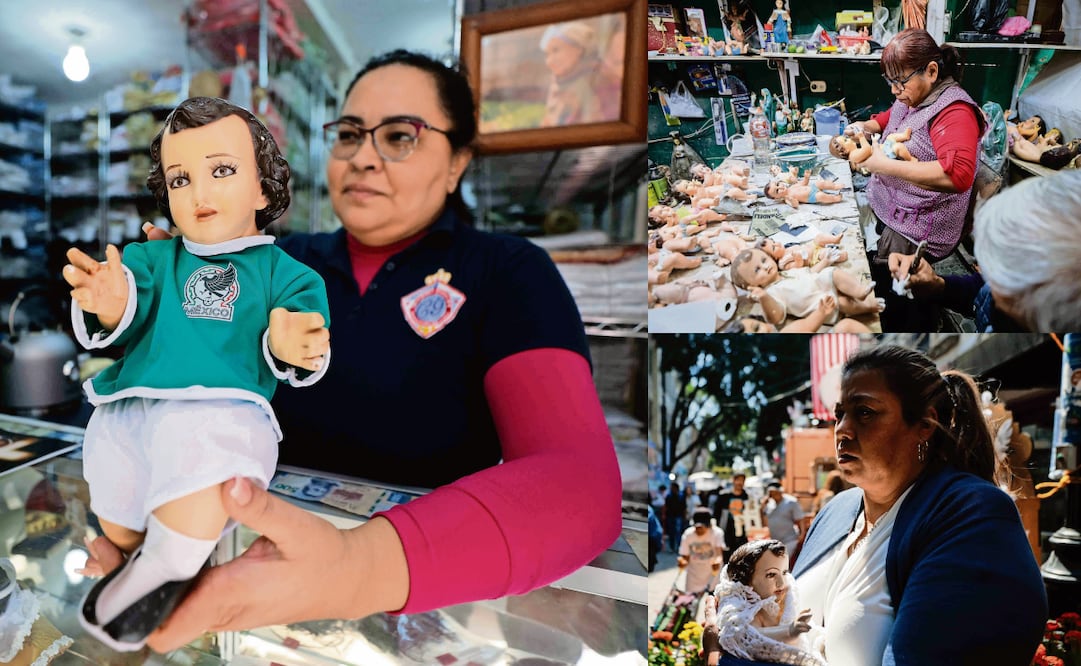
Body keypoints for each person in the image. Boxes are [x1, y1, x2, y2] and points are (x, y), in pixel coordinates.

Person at [109, 50, 621, 653]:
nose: (363, 157)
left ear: (458, 162)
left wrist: (357, 567)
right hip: (242, 575)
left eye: (400, 136)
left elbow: (581, 485)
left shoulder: (507, 272)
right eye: (349, 134)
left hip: (431, 601)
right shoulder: (277, 263)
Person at [64, 97, 332, 651]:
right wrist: (109, 302)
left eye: (222, 170)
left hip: (219, 409)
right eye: (180, 179)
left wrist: (295, 344)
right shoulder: (155, 258)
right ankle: (138, 558)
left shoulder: (285, 273)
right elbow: (128, 299)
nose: (199, 193)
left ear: (263, 190)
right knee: (117, 490)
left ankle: (169, 562)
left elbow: (303, 334)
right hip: (133, 406)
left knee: (207, 463)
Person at [792, 345, 1046, 663]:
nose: (842, 429)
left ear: (924, 425)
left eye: (865, 412)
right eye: (839, 414)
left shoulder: (972, 512)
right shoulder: (836, 510)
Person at [846, 29, 985, 331]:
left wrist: (883, 164)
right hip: (893, 205)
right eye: (890, 81)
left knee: (897, 296)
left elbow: (958, 175)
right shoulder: (911, 95)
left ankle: (908, 321)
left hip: (921, 224)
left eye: (900, 81)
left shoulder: (955, 112)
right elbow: (889, 118)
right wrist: (863, 126)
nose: (895, 90)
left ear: (932, 71)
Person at [887, 169, 1081, 331]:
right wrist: (938, 285)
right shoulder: (1012, 291)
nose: (986, 274)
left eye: (999, 278)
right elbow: (981, 291)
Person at [708, 540, 823, 666]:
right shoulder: (743, 610)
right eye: (771, 575)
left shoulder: (786, 598)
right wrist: (789, 631)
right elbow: (750, 637)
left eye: (784, 572)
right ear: (747, 580)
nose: (781, 582)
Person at [538, 21, 620, 127]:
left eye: (556, 50)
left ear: (578, 49)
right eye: (547, 54)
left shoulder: (599, 79)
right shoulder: (559, 82)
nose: (549, 61)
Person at [677, 509, 727, 594]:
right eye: (697, 527)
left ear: (708, 526)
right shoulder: (688, 534)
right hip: (694, 576)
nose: (699, 530)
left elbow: (719, 554)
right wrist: (682, 562)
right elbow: (685, 556)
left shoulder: (717, 533)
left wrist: (717, 561)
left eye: (702, 527)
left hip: (712, 576)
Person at [713, 473, 750, 561]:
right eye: (738, 480)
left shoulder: (747, 496)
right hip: (727, 529)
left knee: (741, 555)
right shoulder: (724, 495)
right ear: (733, 481)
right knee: (727, 556)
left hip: (742, 530)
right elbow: (717, 513)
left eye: (742, 480)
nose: (740, 483)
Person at [762, 482, 804, 557]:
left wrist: (802, 534)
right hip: (775, 541)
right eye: (772, 493)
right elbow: (764, 521)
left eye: (775, 492)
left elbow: (800, 519)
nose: (774, 495)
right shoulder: (769, 504)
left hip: (790, 540)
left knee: (785, 560)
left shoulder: (791, 502)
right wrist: (762, 507)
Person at [665, 481, 688, 552]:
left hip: (678, 516)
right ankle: (672, 547)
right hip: (671, 516)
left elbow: (684, 507)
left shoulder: (681, 496)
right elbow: (666, 507)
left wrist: (684, 516)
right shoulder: (669, 496)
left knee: (678, 532)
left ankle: (679, 547)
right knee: (671, 532)